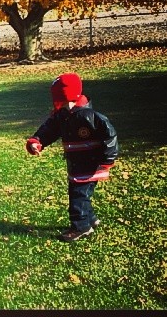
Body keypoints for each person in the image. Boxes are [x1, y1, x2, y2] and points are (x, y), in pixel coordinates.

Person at [25, 72, 118, 242]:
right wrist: (37, 141)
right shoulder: (61, 115)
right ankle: (90, 219)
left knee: (78, 195)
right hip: (77, 164)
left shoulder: (91, 116)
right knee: (82, 194)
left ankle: (81, 227)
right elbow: (49, 130)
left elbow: (110, 136)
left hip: (91, 165)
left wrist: (107, 160)